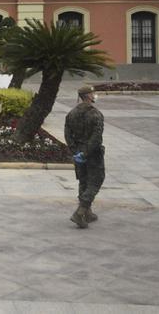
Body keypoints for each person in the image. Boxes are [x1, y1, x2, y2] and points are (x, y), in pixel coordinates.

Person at [64, 86, 104, 229]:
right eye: (93, 93)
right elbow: (96, 138)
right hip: (92, 153)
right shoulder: (95, 114)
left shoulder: (71, 114)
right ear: (88, 96)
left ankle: (88, 212)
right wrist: (86, 153)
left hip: (78, 152)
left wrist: (75, 151)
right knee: (95, 180)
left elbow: (68, 135)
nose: (94, 95)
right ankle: (80, 212)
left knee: (83, 180)